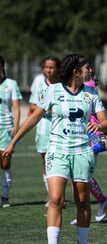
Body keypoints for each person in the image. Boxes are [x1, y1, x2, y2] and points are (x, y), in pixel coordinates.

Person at [3, 53, 107, 244]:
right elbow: (33, 117)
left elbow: (106, 122)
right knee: (56, 199)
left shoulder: (91, 93)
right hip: (57, 151)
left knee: (82, 202)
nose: (90, 71)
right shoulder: (52, 91)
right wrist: (13, 141)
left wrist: (99, 126)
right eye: (87, 68)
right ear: (76, 71)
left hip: (82, 152)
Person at [70, 71, 107, 225]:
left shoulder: (88, 85)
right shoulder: (77, 86)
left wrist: (104, 134)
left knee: (82, 173)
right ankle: (80, 211)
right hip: (79, 134)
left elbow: (100, 115)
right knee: (75, 175)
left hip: (92, 134)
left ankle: (102, 200)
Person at [28, 56, 61, 207]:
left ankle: (58, 195)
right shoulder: (38, 82)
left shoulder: (63, 84)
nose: (49, 70)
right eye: (46, 67)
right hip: (43, 129)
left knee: (59, 162)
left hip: (60, 130)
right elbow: (33, 106)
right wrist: (46, 109)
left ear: (58, 69)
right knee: (46, 162)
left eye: (52, 67)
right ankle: (51, 196)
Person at [0, 55, 22, 208]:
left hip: (6, 129)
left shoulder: (11, 84)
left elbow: (16, 107)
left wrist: (16, 125)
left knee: (5, 163)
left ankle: (5, 197)